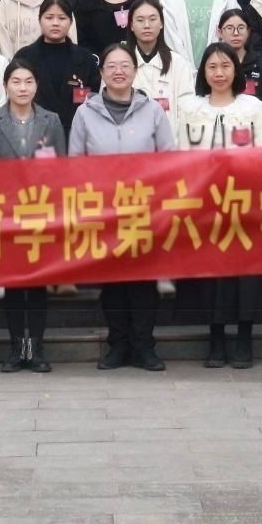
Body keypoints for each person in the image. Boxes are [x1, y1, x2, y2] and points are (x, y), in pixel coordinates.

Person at [171, 43, 262, 370]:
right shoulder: (190, 108)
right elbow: (180, 156)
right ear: (203, 71)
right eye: (212, 67)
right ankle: (215, 338)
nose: (219, 73)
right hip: (205, 204)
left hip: (245, 202)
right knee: (211, 272)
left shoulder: (253, 107)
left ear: (236, 70)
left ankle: (244, 337)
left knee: (246, 273)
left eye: (225, 66)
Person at [73, 42, 175, 372]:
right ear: (101, 73)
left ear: (134, 71)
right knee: (113, 280)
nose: (118, 71)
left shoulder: (153, 110)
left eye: (125, 65)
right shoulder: (85, 112)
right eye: (111, 66)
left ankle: (144, 346)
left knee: (144, 280)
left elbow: (168, 159)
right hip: (104, 210)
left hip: (144, 208)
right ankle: (118, 345)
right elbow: (75, 163)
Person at [0, 60, 66, 374]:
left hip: (41, 212)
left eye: (28, 81)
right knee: (14, 284)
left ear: (36, 85)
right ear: (6, 86)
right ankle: (17, 347)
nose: (22, 88)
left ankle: (36, 348)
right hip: (7, 213)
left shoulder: (51, 120)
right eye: (16, 81)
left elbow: (61, 168)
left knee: (38, 284)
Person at [13, 0, 102, 135]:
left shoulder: (86, 59)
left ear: (71, 22)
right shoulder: (24, 57)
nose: (55, 23)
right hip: (33, 133)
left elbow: (93, 101)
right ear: (39, 20)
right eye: (49, 18)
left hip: (76, 133)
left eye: (62, 18)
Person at [127, 0, 194, 113]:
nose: (147, 25)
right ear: (131, 25)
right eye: (140, 20)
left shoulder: (178, 63)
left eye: (152, 19)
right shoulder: (121, 63)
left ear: (161, 23)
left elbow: (187, 107)